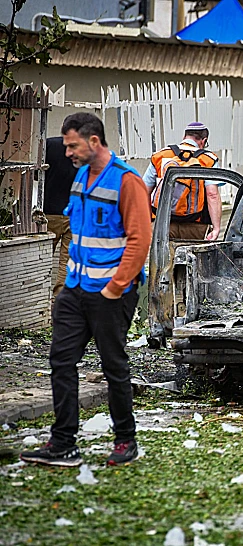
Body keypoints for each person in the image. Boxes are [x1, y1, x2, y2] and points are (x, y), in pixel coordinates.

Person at [20, 113, 151, 468]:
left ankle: (125, 440)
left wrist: (115, 288)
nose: (68, 153)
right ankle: (63, 443)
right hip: (75, 291)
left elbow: (140, 241)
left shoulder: (126, 181)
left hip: (110, 294)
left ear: (94, 142)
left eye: (73, 145)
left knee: (113, 366)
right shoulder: (81, 177)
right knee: (61, 361)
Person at [144, 121, 221, 240]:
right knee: (195, 258)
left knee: (165, 258)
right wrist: (216, 228)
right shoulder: (208, 159)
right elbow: (212, 194)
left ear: (184, 137)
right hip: (196, 227)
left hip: (163, 225)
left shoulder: (161, 156)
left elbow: (143, 191)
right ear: (204, 141)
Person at [44, 136, 78, 297]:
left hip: (49, 212)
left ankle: (40, 298)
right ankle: (59, 300)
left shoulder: (50, 145)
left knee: (42, 257)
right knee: (67, 261)